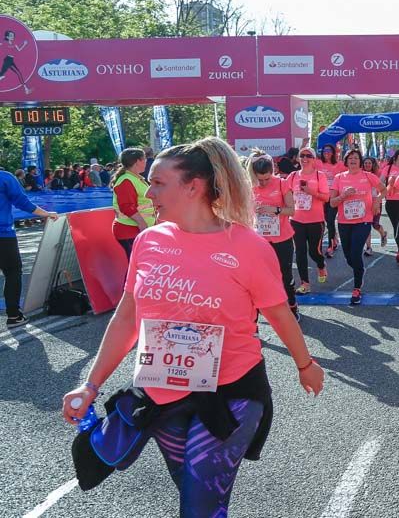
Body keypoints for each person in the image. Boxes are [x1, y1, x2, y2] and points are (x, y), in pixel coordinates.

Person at [61, 137, 324, 517]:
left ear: (193, 187)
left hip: (231, 393)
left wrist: (305, 365)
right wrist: (91, 384)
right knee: (195, 496)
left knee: (200, 505)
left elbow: (280, 314)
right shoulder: (148, 241)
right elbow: (127, 316)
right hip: (162, 393)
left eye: (157, 183)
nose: (148, 192)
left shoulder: (248, 247)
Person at [330, 149, 388, 305]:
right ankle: (359, 269)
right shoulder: (339, 178)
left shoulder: (368, 176)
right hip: (344, 222)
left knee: (356, 253)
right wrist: (344, 196)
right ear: (346, 161)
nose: (353, 160)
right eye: (350, 158)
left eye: (356, 158)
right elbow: (332, 202)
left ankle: (357, 288)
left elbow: (384, 190)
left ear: (360, 161)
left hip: (363, 220)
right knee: (349, 257)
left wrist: (376, 201)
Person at [247, 151, 299, 321]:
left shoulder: (282, 184)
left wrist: (274, 210)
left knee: (285, 275)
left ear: (273, 171)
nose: (263, 183)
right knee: (258, 277)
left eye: (266, 179)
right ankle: (260, 310)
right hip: (259, 240)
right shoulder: (249, 186)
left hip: (282, 238)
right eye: (259, 179)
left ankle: (292, 306)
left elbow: (292, 210)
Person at [1, 170, 58, 327]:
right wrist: (46, 213)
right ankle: (13, 315)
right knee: (12, 272)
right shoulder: (5, 177)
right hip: (3, 235)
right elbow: (22, 201)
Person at [287, 147, 330, 295]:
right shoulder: (292, 176)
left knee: (314, 251)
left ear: (314, 159)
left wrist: (311, 192)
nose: (305, 158)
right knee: (299, 252)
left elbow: (326, 197)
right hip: (296, 220)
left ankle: (320, 264)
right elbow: (284, 193)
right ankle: (305, 283)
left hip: (315, 220)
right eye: (302, 156)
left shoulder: (320, 176)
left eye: (308, 156)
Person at [111, 148, 155, 260]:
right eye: (144, 159)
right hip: (130, 230)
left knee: (140, 265)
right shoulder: (127, 180)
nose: (146, 161)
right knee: (137, 265)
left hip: (136, 229)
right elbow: (127, 206)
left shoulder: (135, 178)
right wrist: (142, 224)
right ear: (137, 161)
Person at [317, 145, 346, 258]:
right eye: (325, 151)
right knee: (324, 221)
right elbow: (305, 159)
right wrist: (304, 145)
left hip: (333, 198)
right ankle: (334, 239)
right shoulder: (318, 163)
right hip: (321, 197)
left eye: (329, 151)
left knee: (330, 221)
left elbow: (349, 173)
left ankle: (330, 246)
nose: (327, 153)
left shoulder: (339, 165)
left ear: (333, 153)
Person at [380, 149, 399, 261]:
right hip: (391, 202)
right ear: (398, 157)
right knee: (396, 226)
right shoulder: (388, 168)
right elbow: (380, 182)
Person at [361, 156, 389, 255]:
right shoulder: (360, 174)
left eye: (369, 163)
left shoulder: (378, 174)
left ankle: (383, 234)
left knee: (375, 224)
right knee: (366, 225)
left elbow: (383, 189)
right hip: (364, 203)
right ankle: (368, 247)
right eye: (365, 163)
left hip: (376, 202)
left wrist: (377, 202)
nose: (367, 165)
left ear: (373, 164)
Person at [1, 29, 31, 94]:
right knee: (17, 73)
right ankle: (26, 89)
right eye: (11, 36)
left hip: (11, 60)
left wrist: (24, 44)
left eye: (13, 36)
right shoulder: (4, 42)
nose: (12, 37)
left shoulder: (14, 43)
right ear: (7, 37)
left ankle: (26, 89)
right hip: (7, 59)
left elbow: (19, 50)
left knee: (16, 73)